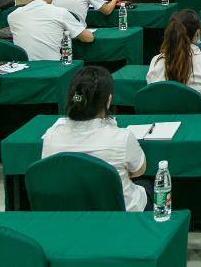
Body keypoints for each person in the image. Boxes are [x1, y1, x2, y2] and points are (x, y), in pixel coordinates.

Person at [41, 66, 148, 212]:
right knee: (149, 186)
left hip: (68, 213)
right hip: (119, 215)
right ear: (108, 101)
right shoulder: (122, 138)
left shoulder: (50, 136)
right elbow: (140, 170)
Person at [146, 10, 201, 113]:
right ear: (197, 33)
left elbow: (153, 96)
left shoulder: (156, 61)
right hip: (198, 121)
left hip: (164, 121)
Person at [8, 0, 94, 61]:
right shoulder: (60, 13)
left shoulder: (13, 16)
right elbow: (88, 38)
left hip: (23, 66)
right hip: (53, 66)